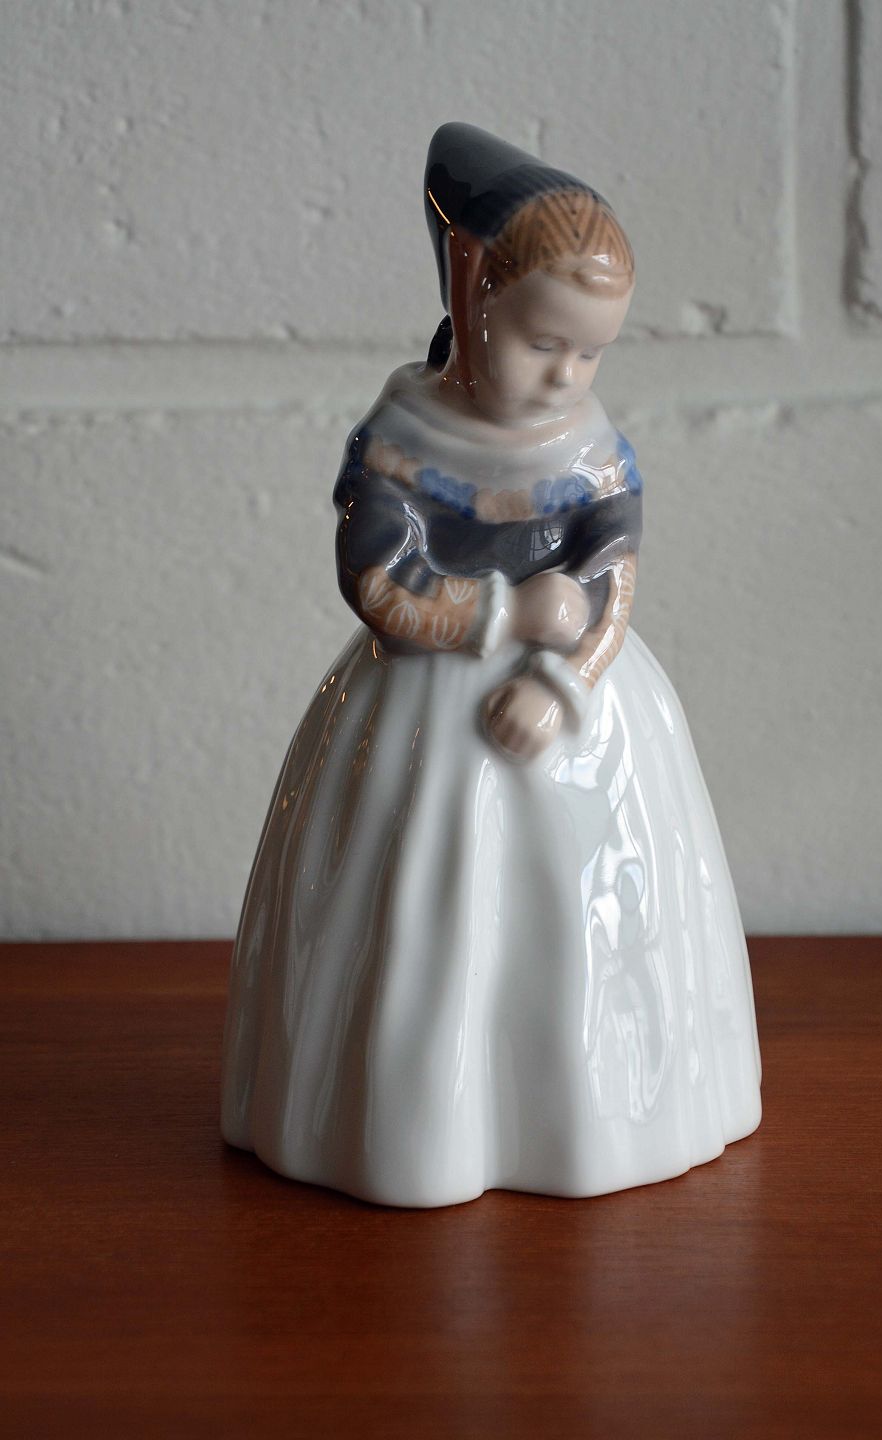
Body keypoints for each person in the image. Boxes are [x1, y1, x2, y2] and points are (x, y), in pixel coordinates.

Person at [221, 123, 761, 1207]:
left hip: (578, 706)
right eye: (541, 341)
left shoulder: (589, 447)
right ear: (472, 300)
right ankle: (405, 1121)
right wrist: (509, 611)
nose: (566, 373)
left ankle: (606, 1104)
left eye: (590, 353)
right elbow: (377, 582)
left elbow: (612, 583)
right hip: (418, 708)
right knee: (419, 917)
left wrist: (563, 681)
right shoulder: (402, 437)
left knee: (591, 910)